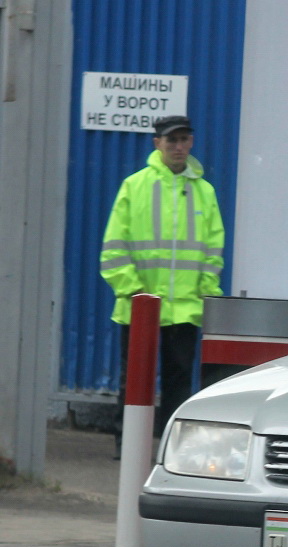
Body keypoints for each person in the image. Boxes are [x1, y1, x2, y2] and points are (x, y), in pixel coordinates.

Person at [101, 115, 225, 454]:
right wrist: (133, 290)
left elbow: (213, 250)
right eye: (172, 141)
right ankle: (127, 446)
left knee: (179, 382)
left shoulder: (204, 192)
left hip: (185, 307)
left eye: (185, 139)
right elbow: (114, 247)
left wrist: (207, 294)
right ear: (157, 144)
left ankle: (170, 449)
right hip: (139, 304)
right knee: (134, 380)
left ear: (192, 143)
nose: (179, 147)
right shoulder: (135, 186)